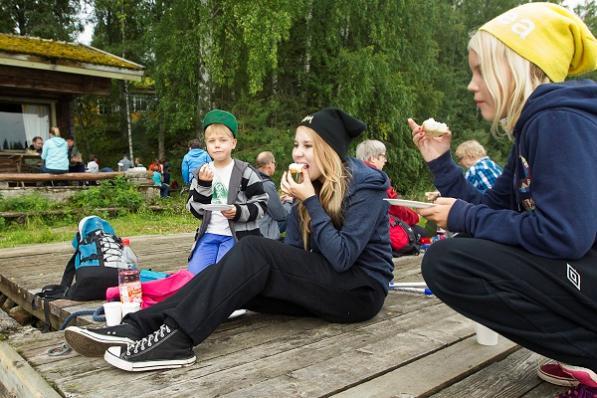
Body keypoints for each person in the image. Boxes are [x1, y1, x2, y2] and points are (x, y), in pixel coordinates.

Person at [63, 107, 393, 373]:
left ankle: (177, 341)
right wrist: (296, 206)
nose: (298, 153)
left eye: (308, 146)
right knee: (233, 270)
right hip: (325, 284)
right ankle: (137, 326)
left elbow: (343, 257)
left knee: (252, 250)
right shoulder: (312, 182)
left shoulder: (367, 184)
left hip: (358, 292)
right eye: (296, 144)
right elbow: (294, 256)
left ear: (329, 150)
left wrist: (308, 201)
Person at [406, 4, 597, 397]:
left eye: (480, 70)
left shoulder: (557, 120)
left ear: (518, 66)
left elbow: (565, 236)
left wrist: (465, 216)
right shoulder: (534, 128)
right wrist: (440, 161)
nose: (472, 85)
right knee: (457, 254)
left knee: (451, 262)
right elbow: (490, 209)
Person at [185, 109, 268, 275]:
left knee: (226, 276)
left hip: (236, 236)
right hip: (208, 234)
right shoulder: (200, 173)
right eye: (211, 141)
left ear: (233, 143)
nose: (217, 144)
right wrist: (203, 185)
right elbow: (193, 209)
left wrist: (238, 211)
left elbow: (262, 204)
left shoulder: (246, 172)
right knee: (194, 276)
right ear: (206, 145)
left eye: (223, 140)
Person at [356, 139, 424, 256]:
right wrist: (416, 216)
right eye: (383, 156)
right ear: (372, 158)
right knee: (424, 232)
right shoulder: (377, 179)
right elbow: (396, 208)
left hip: (360, 237)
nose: (386, 160)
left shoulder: (353, 175)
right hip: (379, 238)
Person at [255, 151, 292, 240]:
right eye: (274, 163)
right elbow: (281, 216)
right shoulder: (266, 184)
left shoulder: (252, 179)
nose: (275, 166)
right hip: (264, 233)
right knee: (295, 210)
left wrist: (278, 200)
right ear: (270, 164)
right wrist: (289, 201)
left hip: (251, 229)